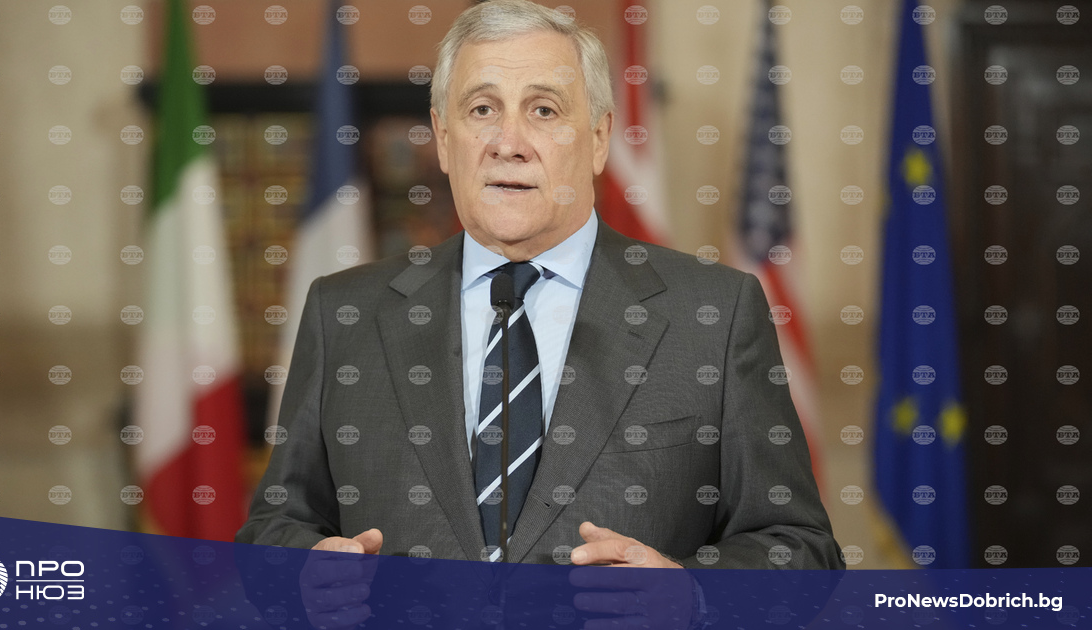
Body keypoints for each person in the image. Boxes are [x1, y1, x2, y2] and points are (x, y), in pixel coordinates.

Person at [237, 0, 842, 574]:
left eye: (544, 110)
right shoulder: (344, 313)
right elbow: (274, 529)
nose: (509, 143)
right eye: (482, 109)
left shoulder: (713, 314)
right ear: (443, 139)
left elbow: (801, 550)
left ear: (599, 138)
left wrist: (689, 593)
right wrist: (305, 578)